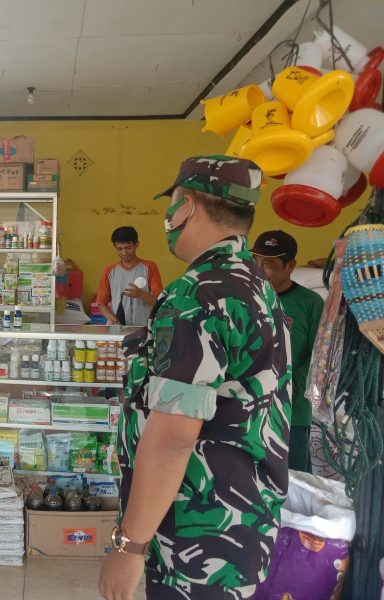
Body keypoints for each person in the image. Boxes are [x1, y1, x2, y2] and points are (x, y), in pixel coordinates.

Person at [99, 156, 291, 600]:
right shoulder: (254, 281)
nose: (167, 216)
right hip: (241, 522)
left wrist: (129, 547)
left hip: (196, 535)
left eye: (171, 204)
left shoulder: (197, 296)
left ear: (186, 207)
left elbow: (173, 437)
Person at [251, 229, 323, 473]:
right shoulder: (245, 299)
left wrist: (285, 385)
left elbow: (317, 361)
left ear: (290, 265)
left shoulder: (310, 304)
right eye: (255, 262)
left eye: (268, 264)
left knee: (294, 484)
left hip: (291, 415)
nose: (259, 270)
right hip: (250, 412)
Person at [95, 226, 163, 326]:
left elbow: (160, 302)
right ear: (114, 247)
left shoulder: (150, 267)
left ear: (136, 245)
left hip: (143, 327)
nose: (124, 252)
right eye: (119, 249)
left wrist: (141, 294)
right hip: (117, 329)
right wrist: (111, 318)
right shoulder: (109, 270)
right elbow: (101, 303)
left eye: (128, 248)